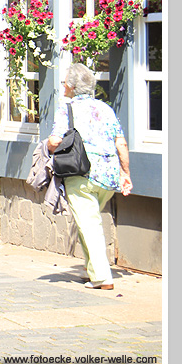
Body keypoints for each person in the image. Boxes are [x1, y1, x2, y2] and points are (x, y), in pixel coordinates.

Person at [46, 62, 133, 291]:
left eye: (65, 82)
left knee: (89, 223)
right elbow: (121, 143)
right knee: (87, 221)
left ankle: (103, 277)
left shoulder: (67, 109)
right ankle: (91, 268)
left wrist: (49, 145)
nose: (63, 86)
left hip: (81, 173)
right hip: (108, 177)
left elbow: (55, 142)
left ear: (72, 87)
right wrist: (126, 173)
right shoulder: (106, 109)